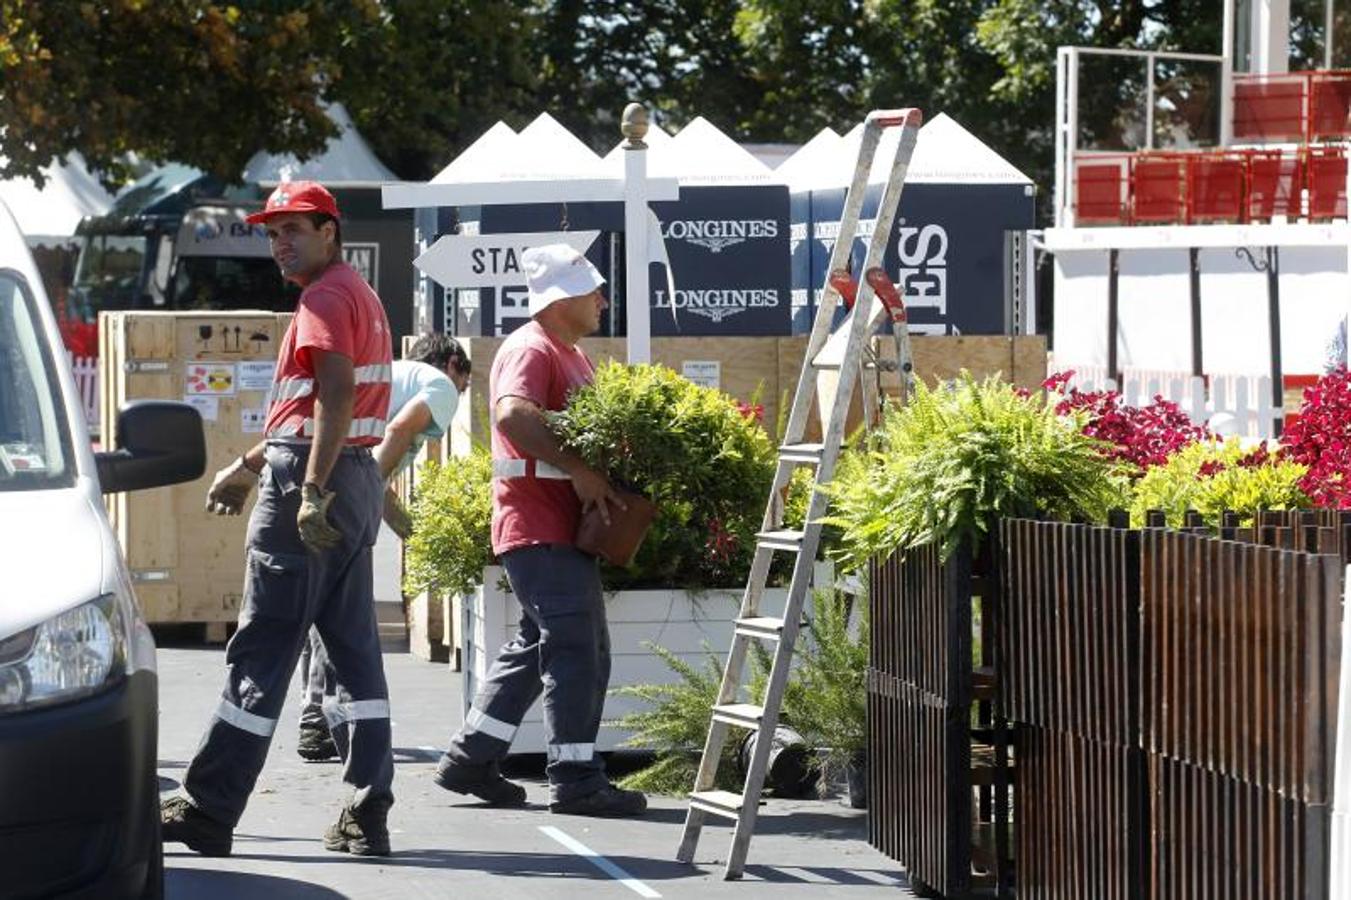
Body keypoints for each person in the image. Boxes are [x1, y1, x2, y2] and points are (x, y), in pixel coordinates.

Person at [159, 181, 397, 857]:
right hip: (352, 477)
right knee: (352, 654)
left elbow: (333, 395)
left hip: (315, 478)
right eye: (271, 232)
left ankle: (207, 807)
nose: (279, 243)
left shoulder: (322, 298)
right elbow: (317, 407)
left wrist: (308, 487)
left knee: (262, 647)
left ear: (330, 231)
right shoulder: (357, 292)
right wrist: (252, 464)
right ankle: (366, 807)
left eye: (293, 229)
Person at [433, 243, 647, 817]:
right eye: (594, 290)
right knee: (580, 649)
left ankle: (471, 756)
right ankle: (576, 778)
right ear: (562, 298)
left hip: (548, 528)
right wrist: (579, 470)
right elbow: (511, 414)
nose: (603, 299)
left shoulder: (568, 352)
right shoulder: (533, 347)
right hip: (540, 525)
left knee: (537, 645)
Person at [297, 333, 472, 762]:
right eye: (465, 384)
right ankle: (320, 720)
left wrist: (412, 531)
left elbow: (382, 482)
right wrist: (365, 490)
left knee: (322, 602)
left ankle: (315, 715)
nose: (461, 395)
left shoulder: (391, 377)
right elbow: (395, 436)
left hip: (311, 479)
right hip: (340, 488)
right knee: (341, 607)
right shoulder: (438, 384)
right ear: (452, 363)